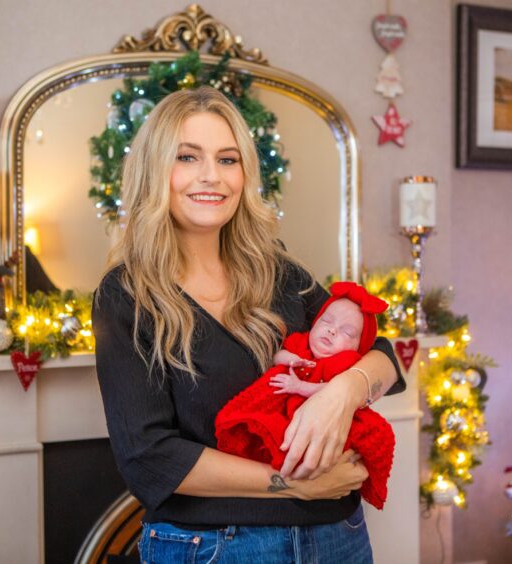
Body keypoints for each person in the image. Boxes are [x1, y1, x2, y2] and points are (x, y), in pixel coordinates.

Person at [92, 86, 405, 563]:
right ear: (155, 171)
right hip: (214, 547)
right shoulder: (126, 295)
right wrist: (293, 484)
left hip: (337, 537)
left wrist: (343, 394)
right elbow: (148, 454)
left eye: (228, 160)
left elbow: (382, 353)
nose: (211, 177)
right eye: (188, 157)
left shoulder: (278, 271)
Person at [215, 281, 396, 510]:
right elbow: (278, 355)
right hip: (282, 406)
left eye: (347, 332)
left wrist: (300, 386)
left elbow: (331, 390)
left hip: (312, 407)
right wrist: (289, 359)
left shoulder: (345, 362)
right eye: (326, 322)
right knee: (263, 425)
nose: (331, 330)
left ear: (358, 347)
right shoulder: (300, 342)